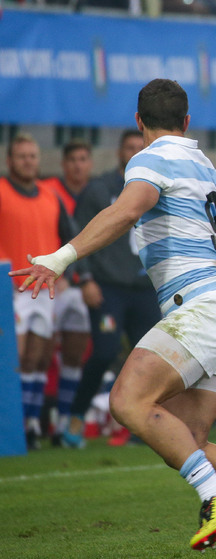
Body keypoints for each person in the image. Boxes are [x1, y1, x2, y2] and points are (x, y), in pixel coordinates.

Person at [11, 79, 216, 557]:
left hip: (197, 307)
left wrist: (59, 258)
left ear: (139, 123)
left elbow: (126, 210)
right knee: (190, 438)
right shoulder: (207, 169)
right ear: (186, 122)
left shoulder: (148, 158)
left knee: (127, 401)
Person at [59, 130, 162, 449]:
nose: (134, 152)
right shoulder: (100, 189)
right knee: (104, 351)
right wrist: (85, 279)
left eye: (139, 147)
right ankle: (75, 416)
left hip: (145, 287)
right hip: (109, 289)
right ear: (119, 152)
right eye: (128, 147)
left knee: (149, 359)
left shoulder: (158, 187)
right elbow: (79, 236)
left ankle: (140, 426)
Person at [0, 132, 76, 450]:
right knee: (14, 357)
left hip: (45, 290)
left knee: (37, 357)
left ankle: (31, 423)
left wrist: (68, 274)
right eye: (22, 156)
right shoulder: (1, 191)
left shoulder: (50, 196)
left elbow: (70, 240)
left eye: (32, 155)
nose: (28, 161)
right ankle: (13, 425)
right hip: (12, 289)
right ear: (10, 160)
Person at [39, 139, 95, 445]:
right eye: (72, 159)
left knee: (75, 353)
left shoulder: (97, 193)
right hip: (53, 283)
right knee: (41, 353)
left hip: (82, 284)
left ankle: (63, 423)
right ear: (63, 164)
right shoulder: (49, 191)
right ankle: (33, 423)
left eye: (83, 158)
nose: (77, 164)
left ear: (90, 163)